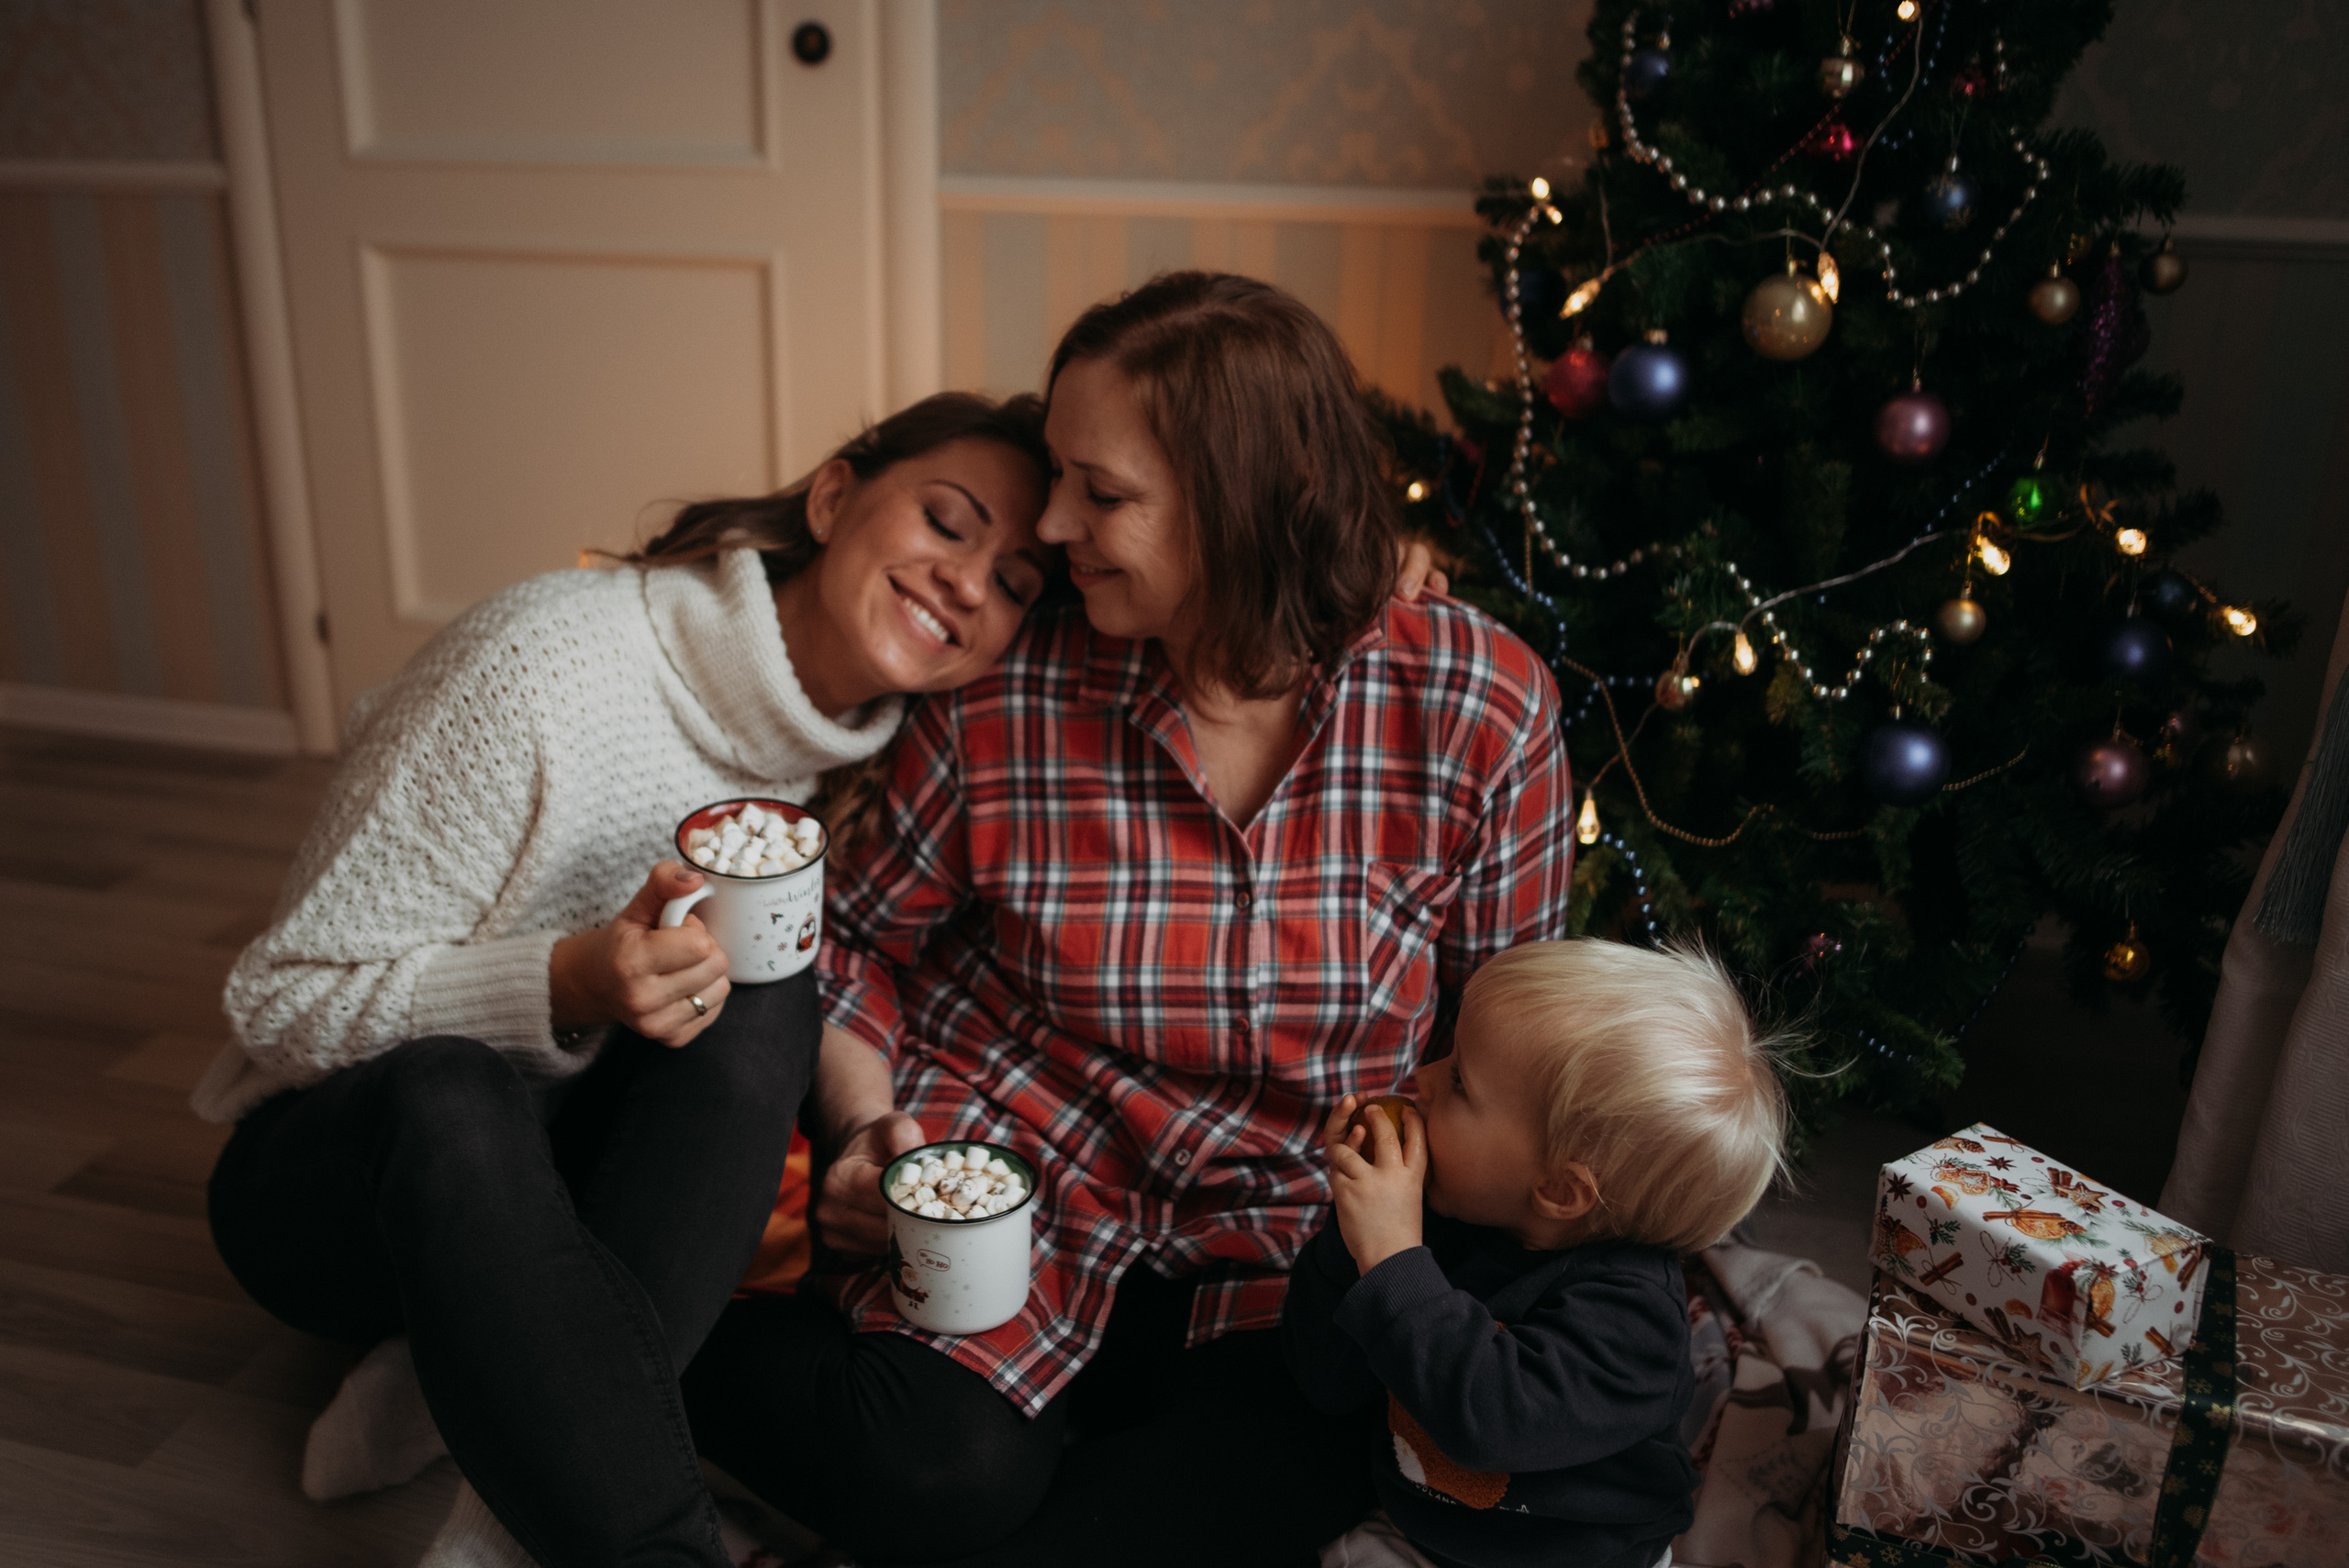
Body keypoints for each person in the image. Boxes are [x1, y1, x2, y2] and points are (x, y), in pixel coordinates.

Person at [681, 272, 1575, 1567]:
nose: (1051, 523)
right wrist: (867, 1124)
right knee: (937, 1478)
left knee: (1263, 1481)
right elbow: (860, 933)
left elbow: (1515, 1035)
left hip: (1287, 1232)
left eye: (1102, 495)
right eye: (1059, 475)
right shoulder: (1020, 673)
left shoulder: (1475, 704)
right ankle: (601, 1341)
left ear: (1244, 503)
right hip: (1016, 1173)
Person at [195, 392, 1054, 1568]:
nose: (970, 582)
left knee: (767, 985)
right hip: (341, 1179)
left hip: (556, 1200)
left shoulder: (892, 757)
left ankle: (490, 1472)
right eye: (948, 522)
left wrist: (863, 1126)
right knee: (455, 1090)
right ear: (834, 495)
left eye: (1015, 580)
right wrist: (564, 982)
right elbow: (278, 1002)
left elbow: (835, 1002)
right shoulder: (545, 661)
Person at [1283, 939, 1796, 1568]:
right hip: (1420, 1525)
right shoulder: (1447, 1220)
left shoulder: (1634, 1322)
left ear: (1558, 1189)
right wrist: (1354, 1239)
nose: (1422, 1077)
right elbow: (1325, 1381)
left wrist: (1391, 1256)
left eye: (1462, 1081)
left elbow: (1488, 1420)